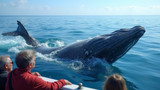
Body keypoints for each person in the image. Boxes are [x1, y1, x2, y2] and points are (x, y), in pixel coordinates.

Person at [6, 50, 72, 90]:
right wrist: (63, 81)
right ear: (29, 65)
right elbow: (51, 87)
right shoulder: (33, 80)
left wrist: (30, 74)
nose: (35, 62)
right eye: (34, 60)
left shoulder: (11, 73)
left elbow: (21, 78)